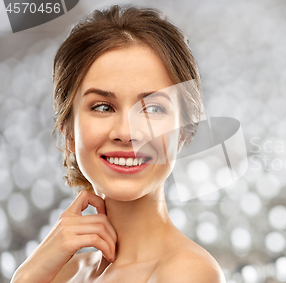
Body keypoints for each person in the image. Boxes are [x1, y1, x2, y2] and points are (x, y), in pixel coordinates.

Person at [12, 4, 225, 283]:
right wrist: (26, 276)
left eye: (153, 109)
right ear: (68, 130)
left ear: (182, 131)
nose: (126, 133)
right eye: (102, 107)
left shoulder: (187, 273)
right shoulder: (61, 272)